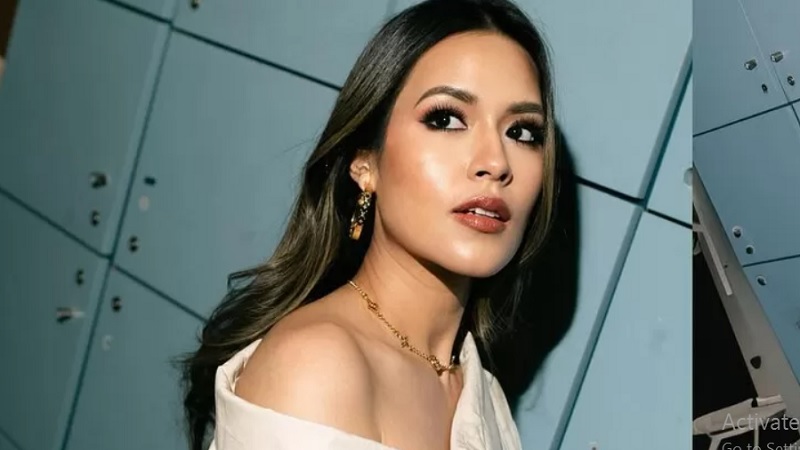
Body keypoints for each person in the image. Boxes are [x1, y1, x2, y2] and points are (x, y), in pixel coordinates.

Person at [180, 0, 558, 448]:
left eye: (522, 132)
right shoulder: (317, 365)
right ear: (365, 164)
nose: (496, 162)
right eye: (446, 119)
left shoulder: (477, 386)